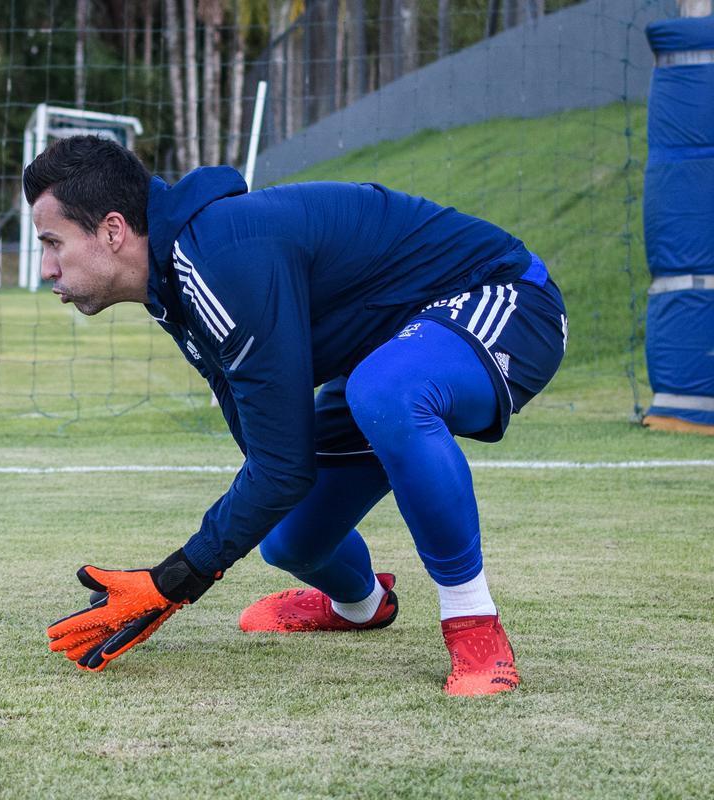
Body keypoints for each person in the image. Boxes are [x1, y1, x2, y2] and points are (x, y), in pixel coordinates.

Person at [29, 135, 567, 696]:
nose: (46, 268)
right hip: (387, 354)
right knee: (289, 539)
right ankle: (361, 605)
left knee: (384, 392)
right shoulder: (172, 290)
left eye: (52, 243)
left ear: (113, 231)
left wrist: (173, 581)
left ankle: (473, 624)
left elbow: (281, 467)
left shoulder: (218, 258)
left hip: (503, 297)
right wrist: (213, 546)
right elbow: (275, 461)